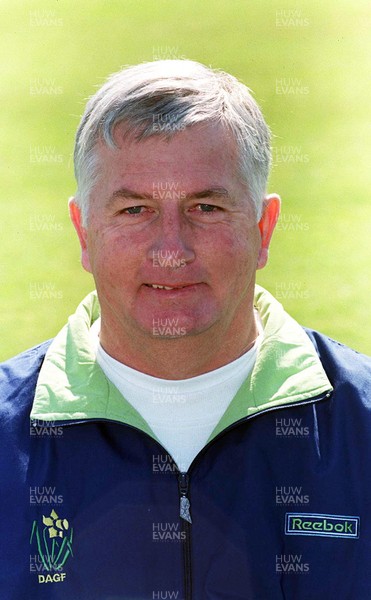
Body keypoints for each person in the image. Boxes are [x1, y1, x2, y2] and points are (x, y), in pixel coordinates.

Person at [1, 60, 370, 600]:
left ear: (263, 228)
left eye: (206, 206)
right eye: (134, 210)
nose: (171, 250)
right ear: (84, 231)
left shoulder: (360, 425)